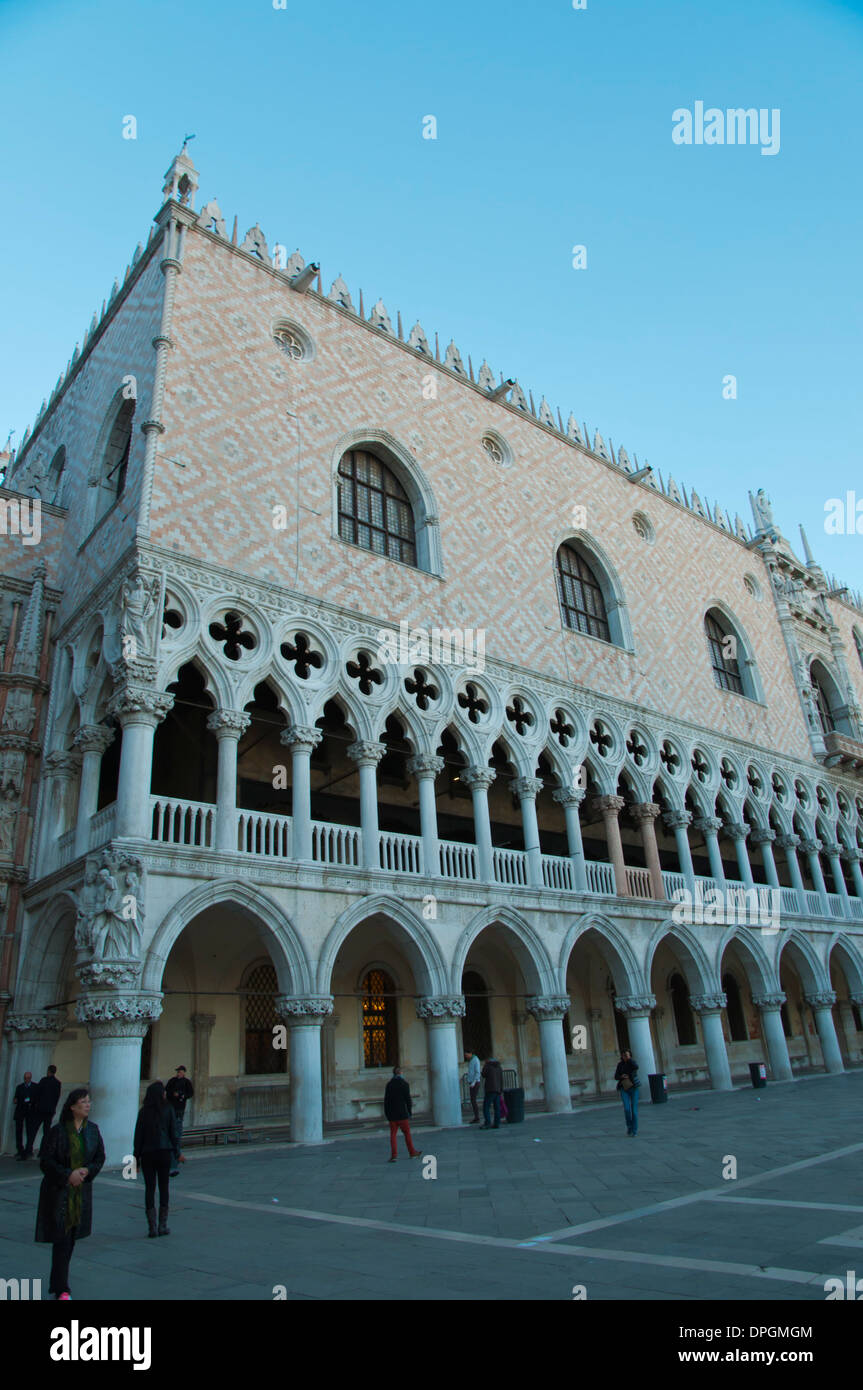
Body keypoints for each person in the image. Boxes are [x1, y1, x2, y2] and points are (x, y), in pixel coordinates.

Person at [35, 1088, 105, 1300]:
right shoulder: (58, 1132)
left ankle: (60, 1285)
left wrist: (87, 1171)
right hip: (59, 1194)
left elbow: (100, 1157)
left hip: (80, 1194)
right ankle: (61, 1288)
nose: (87, 1105)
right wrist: (68, 1174)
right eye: (83, 1102)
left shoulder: (92, 1130)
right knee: (62, 1240)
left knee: (70, 1240)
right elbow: (46, 1161)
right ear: (72, 1106)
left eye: (88, 1101)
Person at [133, 1081, 179, 1237]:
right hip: (164, 1152)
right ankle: (162, 1225)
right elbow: (174, 1133)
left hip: (147, 1154)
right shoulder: (168, 1109)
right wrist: (177, 1152)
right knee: (164, 1187)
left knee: (149, 1188)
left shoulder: (143, 1112)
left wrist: (135, 1158)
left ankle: (151, 1227)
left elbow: (138, 1137)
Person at [383, 1066, 422, 1163]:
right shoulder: (404, 1084)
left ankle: (394, 1155)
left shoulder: (389, 1084)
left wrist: (387, 1113)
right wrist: (409, 1112)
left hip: (392, 1114)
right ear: (400, 1073)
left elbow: (386, 1100)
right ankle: (412, 1152)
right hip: (402, 1113)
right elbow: (407, 1100)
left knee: (393, 1134)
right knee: (407, 1133)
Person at [164, 1065, 193, 1175]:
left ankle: (175, 1159)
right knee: (174, 1134)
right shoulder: (172, 1081)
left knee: (177, 1132)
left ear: (184, 1072)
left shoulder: (186, 1082)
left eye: (180, 1072)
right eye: (178, 1072)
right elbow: (167, 1091)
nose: (178, 1073)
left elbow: (190, 1093)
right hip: (172, 1107)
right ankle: (176, 1157)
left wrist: (181, 1095)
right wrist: (173, 1094)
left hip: (180, 1108)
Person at [13, 1070, 39, 1159]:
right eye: (25, 1078)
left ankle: (29, 1149)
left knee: (30, 1130)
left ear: (30, 1078)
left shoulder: (35, 1087)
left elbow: (37, 1098)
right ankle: (20, 1149)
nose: (26, 1080)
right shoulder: (19, 1087)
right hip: (20, 1110)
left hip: (30, 1111)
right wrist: (16, 1100)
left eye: (28, 1078)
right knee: (18, 1130)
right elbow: (16, 1098)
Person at [614, 1048, 640, 1136]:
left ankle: (634, 1130)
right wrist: (622, 1076)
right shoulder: (620, 1065)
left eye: (627, 1055)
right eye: (624, 1055)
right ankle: (629, 1127)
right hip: (624, 1088)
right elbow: (616, 1076)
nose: (625, 1057)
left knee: (634, 1110)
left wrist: (629, 1060)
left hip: (633, 1088)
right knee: (627, 1109)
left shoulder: (632, 1063)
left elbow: (636, 1067)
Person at [35, 1065, 61, 1149]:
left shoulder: (44, 1080)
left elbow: (37, 1093)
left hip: (40, 1109)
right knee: (46, 1132)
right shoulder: (57, 1083)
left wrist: (36, 1104)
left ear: (49, 1071)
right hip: (50, 1110)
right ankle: (43, 1150)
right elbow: (57, 1097)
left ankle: (29, 1149)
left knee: (33, 1129)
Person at [481, 1056, 503, 1129]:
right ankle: (497, 1123)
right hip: (497, 1089)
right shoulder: (499, 1067)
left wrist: (484, 1065)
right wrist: (501, 1089)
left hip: (490, 1089)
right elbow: (501, 1079)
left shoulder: (488, 1066)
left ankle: (488, 1123)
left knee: (486, 1107)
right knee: (497, 1107)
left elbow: (483, 1074)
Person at [465, 1050, 481, 1123]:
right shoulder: (471, 1060)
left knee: (473, 1100)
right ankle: (476, 1116)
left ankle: (477, 1117)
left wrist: (474, 1082)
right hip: (472, 1082)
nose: (466, 1056)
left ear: (470, 1053)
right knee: (472, 1100)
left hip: (475, 1082)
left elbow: (477, 1072)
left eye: (467, 1054)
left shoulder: (475, 1060)